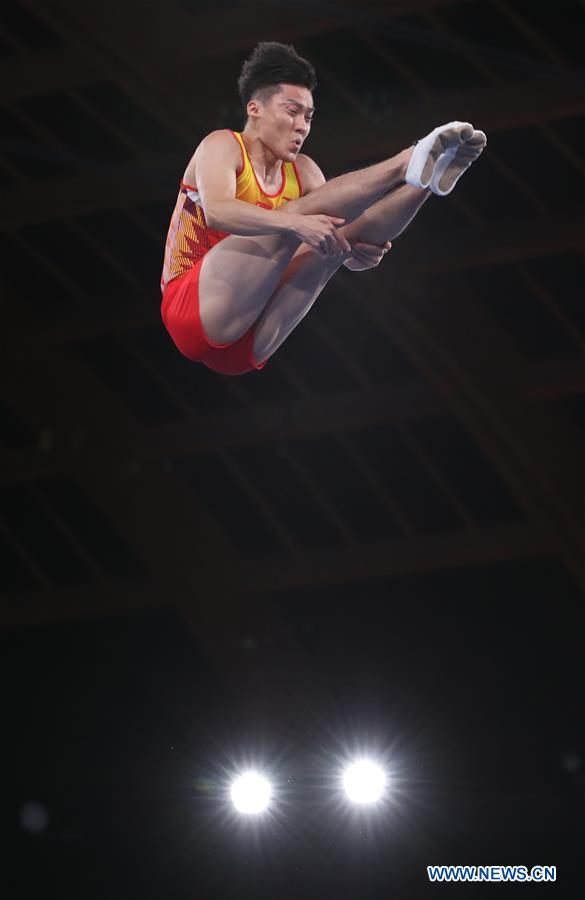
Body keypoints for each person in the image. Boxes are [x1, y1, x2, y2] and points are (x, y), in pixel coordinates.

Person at [161, 41, 486, 376]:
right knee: (299, 215)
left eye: (309, 116)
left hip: (249, 345)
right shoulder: (223, 145)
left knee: (333, 239)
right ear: (255, 108)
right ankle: (406, 161)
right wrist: (294, 226)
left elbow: (340, 240)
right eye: (292, 111)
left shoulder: (303, 171)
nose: (303, 125)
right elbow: (217, 212)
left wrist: (353, 252)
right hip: (194, 311)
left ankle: (424, 184)